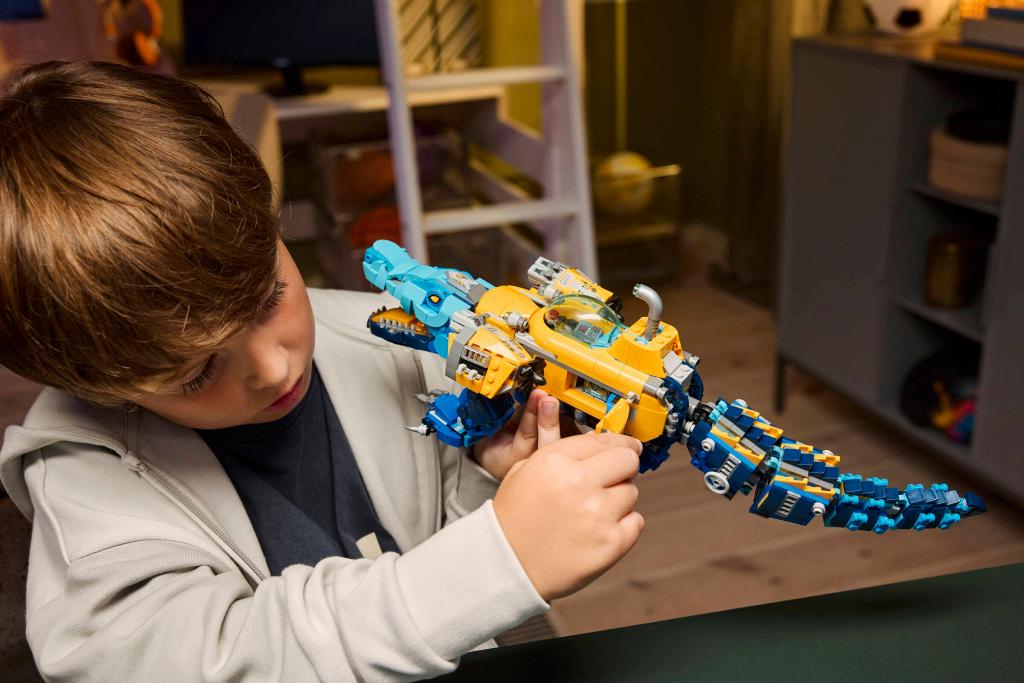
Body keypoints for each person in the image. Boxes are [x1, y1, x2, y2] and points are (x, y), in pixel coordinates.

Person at [0, 61, 645, 682]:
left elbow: (433, 569)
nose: (274, 366)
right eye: (196, 373)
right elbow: (190, 662)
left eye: (268, 297)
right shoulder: (83, 478)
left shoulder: (390, 341)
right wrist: (492, 563)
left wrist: (483, 481)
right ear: (99, 388)